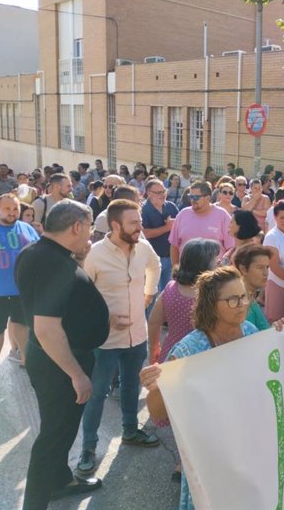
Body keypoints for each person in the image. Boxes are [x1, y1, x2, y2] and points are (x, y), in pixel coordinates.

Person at [139, 267, 262, 510]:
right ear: (211, 304)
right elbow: (159, 413)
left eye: (245, 296)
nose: (242, 304)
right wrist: (155, 387)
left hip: (247, 447)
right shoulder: (189, 351)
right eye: (232, 298)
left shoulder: (250, 332)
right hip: (209, 458)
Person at [16, 200, 109, 508]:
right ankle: (35, 503)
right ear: (76, 227)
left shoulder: (38, 252)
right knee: (53, 439)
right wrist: (77, 375)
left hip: (51, 359)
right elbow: (46, 328)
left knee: (59, 428)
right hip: (61, 365)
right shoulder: (53, 263)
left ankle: (59, 480)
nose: (91, 235)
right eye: (90, 226)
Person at [77, 199, 161, 475]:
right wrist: (104, 319)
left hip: (137, 335)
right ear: (115, 225)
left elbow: (155, 265)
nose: (140, 227)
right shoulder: (94, 255)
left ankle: (130, 431)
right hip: (104, 341)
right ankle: (88, 448)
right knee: (97, 394)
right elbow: (80, 296)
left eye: (139, 221)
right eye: (134, 223)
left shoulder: (143, 247)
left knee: (130, 387)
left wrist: (149, 294)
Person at [148, 238, 221, 364]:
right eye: (215, 259)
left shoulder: (171, 288)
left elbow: (154, 322)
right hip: (203, 357)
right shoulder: (213, 293)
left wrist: (154, 347)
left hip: (172, 353)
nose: (219, 261)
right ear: (203, 264)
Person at [0, 194, 40, 370]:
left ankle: (27, 362)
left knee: (22, 326)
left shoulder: (26, 228)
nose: (12, 212)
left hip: (21, 290)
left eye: (15, 208)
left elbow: (39, 253)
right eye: (7, 208)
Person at [169, 181, 234, 265]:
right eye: (190, 196)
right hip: (186, 274)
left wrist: (223, 270)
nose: (192, 200)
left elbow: (231, 248)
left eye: (196, 197)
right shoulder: (183, 214)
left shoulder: (223, 215)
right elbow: (174, 245)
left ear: (207, 198)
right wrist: (176, 269)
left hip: (213, 275)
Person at [142, 178, 180, 309]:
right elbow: (144, 234)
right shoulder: (143, 210)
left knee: (169, 295)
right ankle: (149, 326)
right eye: (158, 192)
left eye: (163, 191)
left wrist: (174, 225)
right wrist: (167, 228)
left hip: (170, 258)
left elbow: (180, 226)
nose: (162, 194)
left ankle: (166, 323)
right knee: (151, 297)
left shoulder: (171, 206)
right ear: (149, 193)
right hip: (152, 262)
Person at [233, 244, 272, 330]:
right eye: (260, 267)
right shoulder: (240, 305)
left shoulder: (249, 298)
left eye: (267, 267)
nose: (266, 273)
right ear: (243, 269)